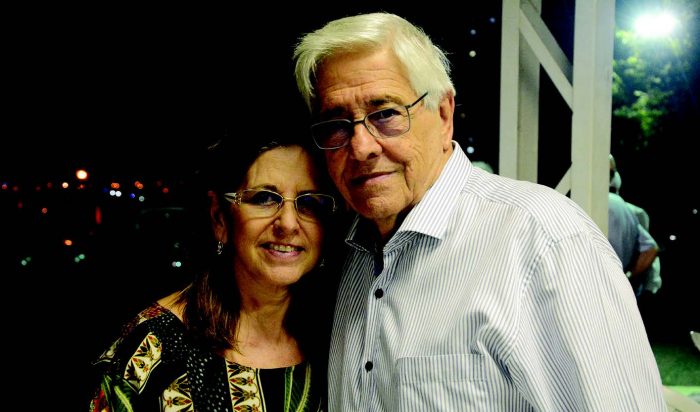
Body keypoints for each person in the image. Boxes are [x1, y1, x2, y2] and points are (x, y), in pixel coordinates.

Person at [293, 12, 666, 410]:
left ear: (444, 114)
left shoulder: (543, 239)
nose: (361, 147)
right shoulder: (350, 253)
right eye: (336, 124)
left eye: (385, 114)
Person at [88, 129, 339, 411]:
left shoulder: (337, 340)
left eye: (309, 202)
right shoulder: (153, 348)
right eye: (264, 198)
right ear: (220, 218)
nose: (289, 224)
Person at [608, 154, 660, 297]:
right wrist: (627, 277)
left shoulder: (629, 210)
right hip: (624, 293)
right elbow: (651, 248)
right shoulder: (626, 208)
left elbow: (651, 249)